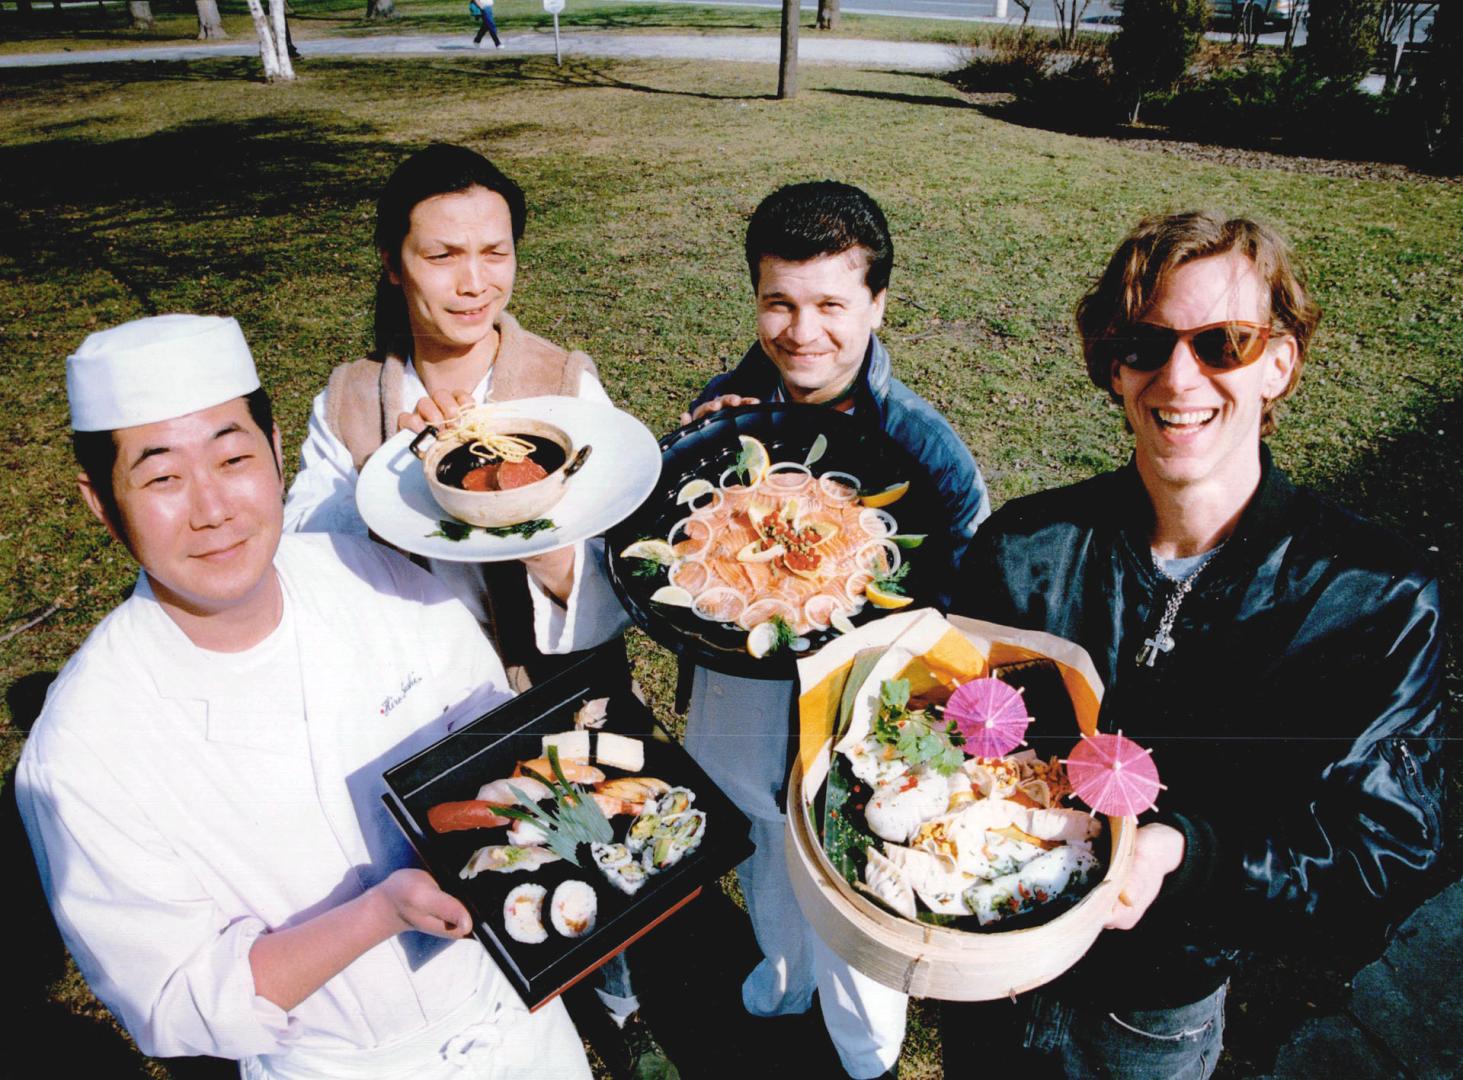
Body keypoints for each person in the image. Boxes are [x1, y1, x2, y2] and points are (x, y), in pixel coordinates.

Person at [16, 314, 592, 1079]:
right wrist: (377, 913)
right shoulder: (85, 747)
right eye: (160, 478)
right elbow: (173, 1003)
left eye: (232, 458)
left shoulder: (376, 578)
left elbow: (492, 738)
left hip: (517, 1021)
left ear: (278, 451)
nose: (211, 507)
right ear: (100, 503)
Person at [945, 211, 1446, 1078]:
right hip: (989, 975)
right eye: (1144, 343)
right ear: (1112, 365)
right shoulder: (1023, 549)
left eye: (1222, 342)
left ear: (1278, 363)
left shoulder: (1372, 596)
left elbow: (1381, 851)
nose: (1179, 376)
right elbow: (959, 723)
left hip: (1154, 1005)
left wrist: (1190, 852)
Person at [282, 144, 674, 1078]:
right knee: (473, 863)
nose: (472, 284)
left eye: (493, 253)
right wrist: (394, 482)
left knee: (596, 853)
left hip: (555, 678)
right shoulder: (352, 400)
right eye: (441, 255)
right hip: (413, 701)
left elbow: (624, 562)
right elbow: (302, 554)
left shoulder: (563, 384)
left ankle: (615, 1003)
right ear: (393, 263)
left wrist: (549, 551)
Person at [681, 181, 991, 1077]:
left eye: (829, 304)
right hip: (741, 682)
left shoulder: (921, 443)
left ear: (876, 304)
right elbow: (683, 552)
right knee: (761, 834)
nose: (800, 331)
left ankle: (864, 1055)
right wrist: (697, 454)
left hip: (861, 695)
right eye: (778, 301)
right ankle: (781, 979)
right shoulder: (728, 399)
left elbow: (961, 591)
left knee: (849, 866)